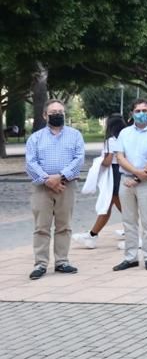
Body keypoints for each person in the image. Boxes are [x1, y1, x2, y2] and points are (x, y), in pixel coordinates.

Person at [26, 99, 85, 280]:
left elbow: (79, 158)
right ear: (45, 115)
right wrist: (47, 179)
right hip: (41, 188)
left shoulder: (75, 135)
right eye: (53, 112)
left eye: (60, 111)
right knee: (41, 227)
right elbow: (31, 162)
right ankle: (40, 264)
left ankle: (62, 262)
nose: (57, 114)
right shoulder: (35, 138)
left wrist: (60, 176)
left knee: (64, 225)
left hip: (66, 185)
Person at [113, 99, 147, 272]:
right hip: (126, 180)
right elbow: (119, 157)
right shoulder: (124, 133)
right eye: (137, 110)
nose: (141, 113)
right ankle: (130, 257)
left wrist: (141, 176)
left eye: (144, 110)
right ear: (132, 113)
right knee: (128, 221)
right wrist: (135, 172)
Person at [73, 114, 128, 249]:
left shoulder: (111, 141)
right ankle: (92, 235)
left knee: (124, 209)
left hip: (114, 175)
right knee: (108, 206)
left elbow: (108, 161)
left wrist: (101, 160)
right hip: (123, 172)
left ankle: (135, 235)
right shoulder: (127, 137)